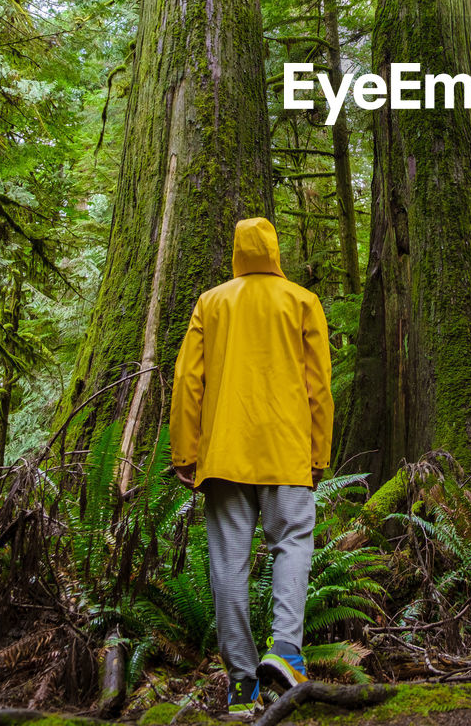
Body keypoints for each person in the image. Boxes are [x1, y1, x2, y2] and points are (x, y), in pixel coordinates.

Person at [170, 216, 334, 720]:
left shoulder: (211, 302)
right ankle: (285, 649)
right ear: (275, 251)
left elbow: (187, 381)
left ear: (237, 251)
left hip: (223, 454)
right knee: (292, 543)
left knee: (227, 565)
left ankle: (241, 685)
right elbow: (319, 387)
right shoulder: (302, 301)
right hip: (287, 452)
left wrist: (185, 452)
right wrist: (319, 454)